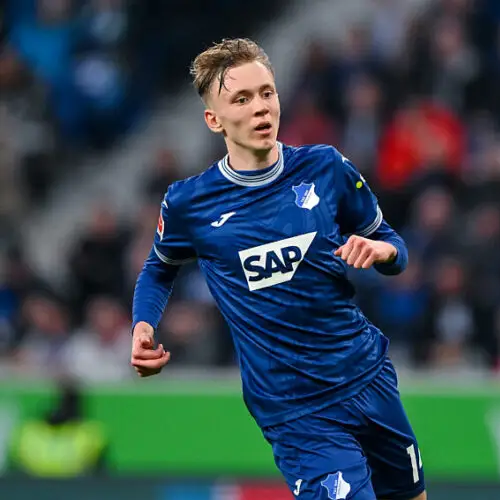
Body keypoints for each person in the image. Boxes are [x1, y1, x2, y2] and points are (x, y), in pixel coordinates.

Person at [130, 38, 426, 500]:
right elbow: (158, 268)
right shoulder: (190, 203)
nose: (261, 108)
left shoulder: (326, 168)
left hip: (367, 376)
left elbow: (393, 244)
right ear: (214, 120)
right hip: (295, 410)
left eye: (267, 93)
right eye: (242, 99)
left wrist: (382, 253)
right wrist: (143, 325)